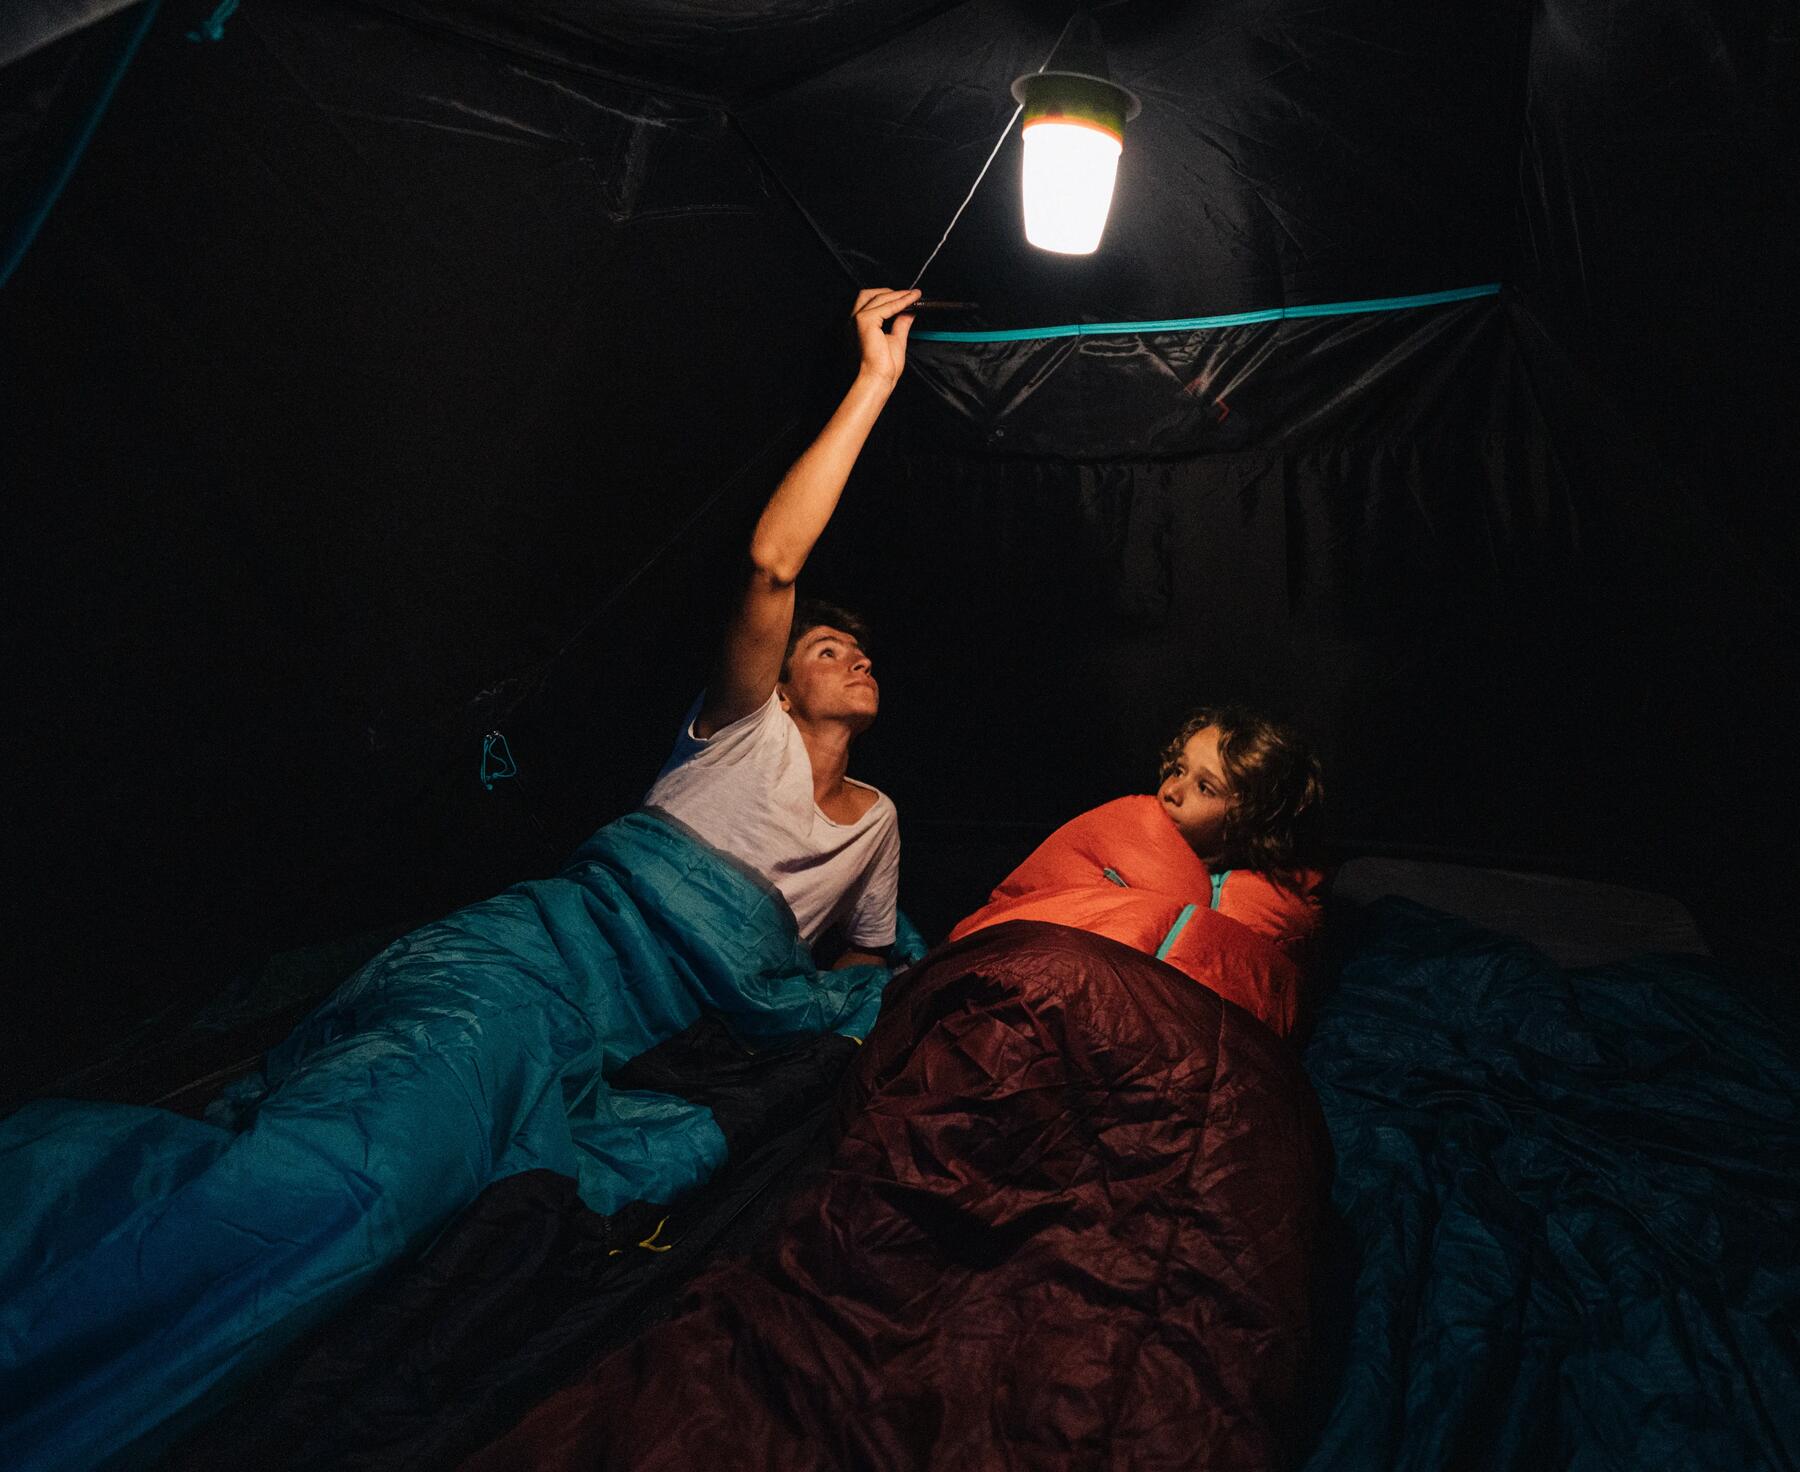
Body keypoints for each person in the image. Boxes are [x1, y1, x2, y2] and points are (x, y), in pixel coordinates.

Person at [643, 286, 922, 969]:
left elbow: (868, 949)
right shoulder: (746, 727)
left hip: (723, 1007)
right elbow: (772, 564)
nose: (861, 662)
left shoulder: (877, 821)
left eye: (861, 653)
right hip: (619, 933)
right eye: (830, 650)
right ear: (783, 691)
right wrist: (876, 379)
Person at [949, 704, 1328, 1035]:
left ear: (1251, 819)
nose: (1172, 791)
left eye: (1205, 788)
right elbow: (1021, 908)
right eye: (1178, 770)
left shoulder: (1274, 910)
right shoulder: (1121, 829)